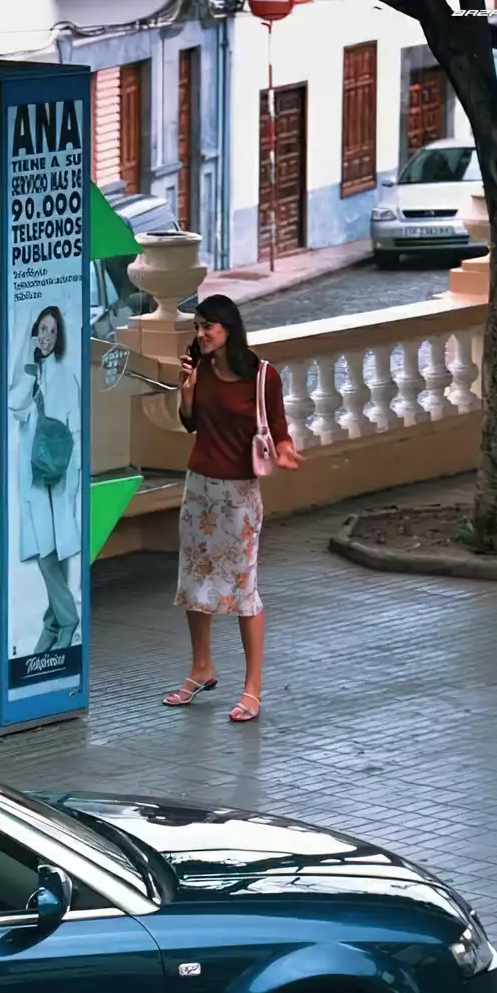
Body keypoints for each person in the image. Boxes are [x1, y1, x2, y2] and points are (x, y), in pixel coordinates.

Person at [165, 293, 301, 725]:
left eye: (208, 326)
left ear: (229, 328)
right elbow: (190, 422)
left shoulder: (263, 376)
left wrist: (286, 451)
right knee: (195, 582)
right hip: (199, 489)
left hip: (240, 495)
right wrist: (186, 391)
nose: (201, 334)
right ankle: (201, 667)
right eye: (197, 326)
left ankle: (252, 687)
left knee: (244, 590)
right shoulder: (199, 369)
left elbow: (279, 427)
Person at [11, 305, 82, 654]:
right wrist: (28, 368)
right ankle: (56, 622)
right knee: (47, 550)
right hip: (34, 473)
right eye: (42, 329)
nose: (46, 337)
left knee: (53, 551)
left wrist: (71, 480)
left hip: (58, 475)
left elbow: (75, 429)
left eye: (53, 331)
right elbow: (15, 406)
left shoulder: (65, 375)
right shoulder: (32, 371)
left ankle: (65, 621)